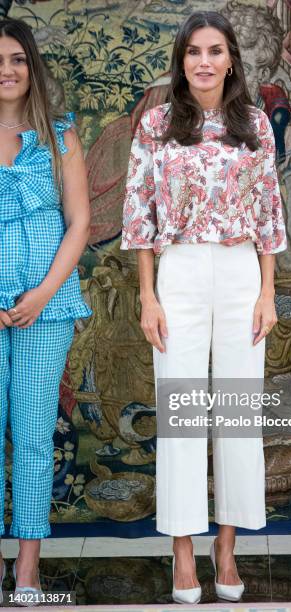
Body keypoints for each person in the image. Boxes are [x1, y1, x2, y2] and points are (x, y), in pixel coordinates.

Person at [121, 10, 286, 605]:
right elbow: (139, 214)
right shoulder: (158, 124)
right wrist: (148, 294)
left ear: (232, 59)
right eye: (194, 52)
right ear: (181, 60)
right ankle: (184, 551)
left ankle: (227, 544)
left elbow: (270, 211)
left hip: (243, 270)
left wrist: (267, 291)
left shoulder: (254, 124)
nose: (205, 62)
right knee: (185, 415)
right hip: (181, 269)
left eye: (215, 51)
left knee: (238, 417)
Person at [0, 18, 91, 604]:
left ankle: (27, 568)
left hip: (45, 308)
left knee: (33, 436)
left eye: (16, 59)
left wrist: (42, 293)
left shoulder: (61, 136)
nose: (6, 70)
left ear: (32, 68)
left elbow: (80, 221)